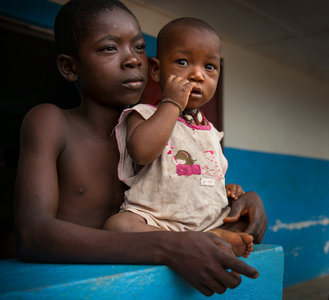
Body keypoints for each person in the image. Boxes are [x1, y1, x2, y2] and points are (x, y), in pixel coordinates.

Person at [14, 0, 267, 296]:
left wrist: (242, 199)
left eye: (137, 48)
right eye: (110, 48)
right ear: (70, 67)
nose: (133, 60)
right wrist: (167, 245)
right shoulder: (51, 122)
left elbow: (185, 192)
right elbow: (33, 235)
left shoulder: (168, 132)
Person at [103, 17, 259, 259]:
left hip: (208, 222)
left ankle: (213, 236)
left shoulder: (211, 132)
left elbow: (206, 176)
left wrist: (226, 190)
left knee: (242, 222)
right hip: (158, 223)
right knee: (117, 226)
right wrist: (173, 103)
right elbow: (142, 152)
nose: (197, 75)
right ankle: (207, 241)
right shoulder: (144, 115)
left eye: (209, 67)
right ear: (156, 70)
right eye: (183, 62)